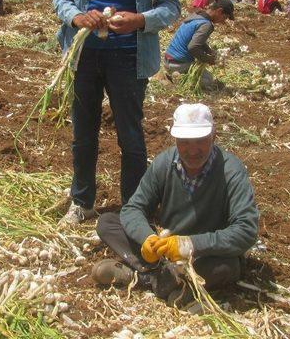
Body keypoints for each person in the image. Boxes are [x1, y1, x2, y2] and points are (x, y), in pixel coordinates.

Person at [54, 0, 180, 224]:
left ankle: (133, 209)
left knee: (131, 135)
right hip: (84, 54)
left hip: (130, 56)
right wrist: (78, 17)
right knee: (83, 132)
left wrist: (139, 20)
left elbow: (171, 6)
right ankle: (82, 203)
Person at [92, 104, 259, 307]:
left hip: (204, 255)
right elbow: (133, 208)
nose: (192, 150)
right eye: (184, 142)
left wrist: (189, 245)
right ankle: (171, 284)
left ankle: (142, 277)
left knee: (227, 265)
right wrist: (147, 238)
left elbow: (246, 230)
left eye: (200, 141)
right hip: (165, 250)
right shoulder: (164, 164)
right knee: (107, 223)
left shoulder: (231, 172)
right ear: (175, 139)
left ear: (213, 136)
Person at [164, 0, 234, 88]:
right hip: (178, 63)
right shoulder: (206, 25)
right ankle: (179, 78)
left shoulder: (197, 15)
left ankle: (173, 73)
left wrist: (209, 51)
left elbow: (196, 40)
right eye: (224, 17)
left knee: (206, 76)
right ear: (219, 11)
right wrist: (209, 60)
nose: (223, 21)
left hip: (168, 59)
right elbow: (193, 47)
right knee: (208, 80)